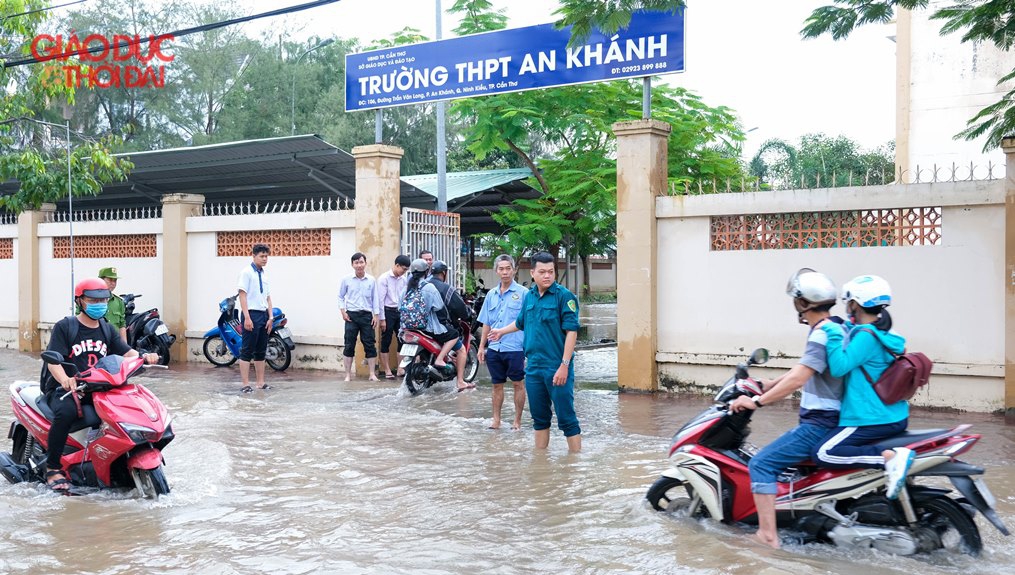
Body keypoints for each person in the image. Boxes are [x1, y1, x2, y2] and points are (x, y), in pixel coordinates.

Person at [729, 268, 845, 549]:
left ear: (803, 303)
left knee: (762, 463)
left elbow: (800, 377)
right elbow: (806, 369)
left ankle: (767, 536)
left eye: (795, 299)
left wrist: (755, 401)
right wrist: (769, 383)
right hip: (835, 420)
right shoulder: (836, 327)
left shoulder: (821, 334)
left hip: (820, 423)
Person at [42, 278, 159, 491]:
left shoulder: (106, 329)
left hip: (99, 388)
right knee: (66, 413)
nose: (99, 304)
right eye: (93, 300)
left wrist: (144, 357)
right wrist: (65, 380)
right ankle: (53, 467)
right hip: (67, 390)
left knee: (126, 411)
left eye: (103, 300)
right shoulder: (65, 327)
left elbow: (126, 352)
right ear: (79, 301)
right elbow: (53, 362)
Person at [810, 275, 914, 500]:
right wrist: (843, 325)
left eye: (849, 303)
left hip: (869, 417)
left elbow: (839, 367)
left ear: (855, 304)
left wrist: (832, 333)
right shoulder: (884, 333)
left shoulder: (866, 337)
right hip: (892, 415)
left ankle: (888, 458)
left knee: (823, 452)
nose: (847, 308)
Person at [488, 251, 581, 452]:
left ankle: (576, 464)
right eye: (542, 272)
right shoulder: (529, 297)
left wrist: (564, 366)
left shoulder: (564, 297)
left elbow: (572, 332)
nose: (547, 276)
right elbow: (521, 322)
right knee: (539, 419)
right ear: (532, 273)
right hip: (533, 368)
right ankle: (540, 461)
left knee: (566, 418)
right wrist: (501, 332)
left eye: (551, 272)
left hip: (557, 366)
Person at [477, 254, 527, 430]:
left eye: (508, 268)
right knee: (496, 385)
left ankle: (517, 421)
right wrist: (482, 347)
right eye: (501, 269)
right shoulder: (491, 294)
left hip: (515, 347)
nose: (505, 272)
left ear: (514, 270)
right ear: (496, 271)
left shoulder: (523, 294)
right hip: (494, 348)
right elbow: (486, 322)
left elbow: (527, 322)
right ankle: (496, 420)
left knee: (518, 384)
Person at [404, 258, 470, 391]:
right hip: (429, 328)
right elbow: (440, 307)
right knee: (455, 336)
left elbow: (400, 306)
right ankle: (460, 380)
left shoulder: (407, 287)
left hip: (409, 327)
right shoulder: (431, 288)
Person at [428, 260, 471, 391]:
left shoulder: (422, 285)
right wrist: (467, 312)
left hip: (420, 326)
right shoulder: (445, 288)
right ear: (444, 273)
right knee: (461, 348)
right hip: (438, 327)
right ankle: (460, 381)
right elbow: (459, 307)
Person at [237, 243, 274, 393]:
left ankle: (260, 382)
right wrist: (247, 317)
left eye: (266, 256)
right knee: (247, 350)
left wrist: (270, 317)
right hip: (251, 314)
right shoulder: (246, 272)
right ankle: (245, 384)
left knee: (261, 350)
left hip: (264, 315)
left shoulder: (264, 274)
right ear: (254, 256)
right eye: (262, 256)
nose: (265, 259)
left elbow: (268, 297)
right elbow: (242, 294)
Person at [339, 252, 381, 382]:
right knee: (349, 344)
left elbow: (375, 299)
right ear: (352, 265)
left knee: (370, 344)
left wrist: (376, 315)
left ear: (365, 263)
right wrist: (343, 311)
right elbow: (340, 296)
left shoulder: (371, 280)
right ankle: (347, 375)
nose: (359, 265)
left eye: (361, 262)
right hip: (351, 315)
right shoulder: (346, 279)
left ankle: (372, 374)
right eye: (356, 263)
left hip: (367, 315)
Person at [377, 255, 411, 379]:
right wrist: (382, 319)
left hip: (399, 311)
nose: (404, 272)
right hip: (387, 311)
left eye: (406, 270)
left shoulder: (403, 279)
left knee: (402, 339)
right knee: (386, 340)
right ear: (396, 265)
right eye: (403, 269)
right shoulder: (384, 279)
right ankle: (386, 369)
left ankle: (400, 368)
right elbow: (380, 300)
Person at [99, 267, 128, 342]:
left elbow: (122, 325)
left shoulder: (119, 302)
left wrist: (125, 347)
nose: (113, 283)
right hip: (97, 343)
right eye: (110, 280)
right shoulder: (91, 300)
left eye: (115, 280)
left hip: (114, 344)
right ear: (100, 280)